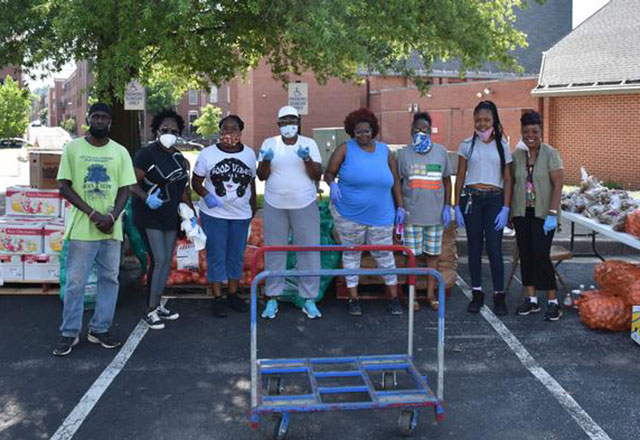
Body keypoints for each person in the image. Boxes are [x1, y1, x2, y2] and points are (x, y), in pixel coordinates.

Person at [53, 102, 137, 356]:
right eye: (96, 117)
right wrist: (93, 214)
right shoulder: (73, 148)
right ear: (89, 119)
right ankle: (69, 333)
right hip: (82, 228)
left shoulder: (119, 151)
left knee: (109, 279)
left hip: (111, 229)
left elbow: (126, 188)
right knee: (76, 282)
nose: (100, 121)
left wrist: (112, 216)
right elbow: (64, 186)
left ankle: (100, 328)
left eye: (104, 118)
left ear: (110, 122)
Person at [324, 107, 405, 316]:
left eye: (367, 131)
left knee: (385, 255)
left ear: (373, 130)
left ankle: (394, 297)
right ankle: (353, 298)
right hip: (349, 214)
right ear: (352, 132)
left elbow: (395, 179)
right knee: (352, 254)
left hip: (381, 215)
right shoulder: (345, 149)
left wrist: (401, 206)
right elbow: (329, 172)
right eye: (359, 131)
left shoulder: (385, 151)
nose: (363, 135)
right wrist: (332, 184)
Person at [257, 105, 322, 320]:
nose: (288, 125)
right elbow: (261, 176)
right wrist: (266, 159)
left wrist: (306, 158)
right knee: (275, 252)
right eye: (284, 122)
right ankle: (273, 298)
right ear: (278, 124)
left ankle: (309, 299)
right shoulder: (269, 143)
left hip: (304, 203)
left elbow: (317, 173)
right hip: (275, 203)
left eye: (292, 121)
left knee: (309, 251)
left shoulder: (308, 144)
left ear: (298, 122)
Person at [130, 108, 193, 330]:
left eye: (173, 130)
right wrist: (146, 198)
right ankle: (149, 310)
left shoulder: (179, 157)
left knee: (166, 261)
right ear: (156, 130)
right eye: (164, 129)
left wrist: (190, 214)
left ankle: (157, 304)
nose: (169, 133)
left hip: (170, 215)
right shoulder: (146, 154)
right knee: (158, 260)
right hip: (149, 214)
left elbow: (183, 189)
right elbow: (131, 183)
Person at [192, 115, 257, 318]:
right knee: (216, 254)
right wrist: (205, 195)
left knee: (235, 255)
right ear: (219, 131)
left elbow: (251, 181)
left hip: (240, 214)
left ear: (240, 132)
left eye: (233, 129)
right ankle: (217, 297)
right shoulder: (207, 154)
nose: (229, 133)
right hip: (214, 214)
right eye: (225, 129)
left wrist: (252, 206)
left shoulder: (248, 154)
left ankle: (233, 294)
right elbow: (195, 182)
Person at [453, 100, 513, 316]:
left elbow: (508, 179)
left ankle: (499, 295)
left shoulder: (502, 145)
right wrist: (456, 205)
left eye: (486, 119)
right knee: (474, 247)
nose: (482, 124)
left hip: (495, 201)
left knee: (495, 250)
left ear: (494, 120)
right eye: (478, 119)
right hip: (472, 200)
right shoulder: (467, 144)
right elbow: (460, 177)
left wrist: (506, 207)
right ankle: (477, 293)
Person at [511, 111, 565, 321]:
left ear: (540, 131)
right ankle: (531, 299)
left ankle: (553, 301)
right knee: (526, 254)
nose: (530, 135)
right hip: (522, 214)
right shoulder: (517, 155)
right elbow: (512, 182)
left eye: (534, 131)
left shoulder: (550, 153)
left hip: (544, 214)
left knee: (541, 254)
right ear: (522, 133)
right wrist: (509, 212)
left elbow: (558, 184)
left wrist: (552, 213)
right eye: (526, 132)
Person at [397, 112, 452, 311]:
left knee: (432, 257)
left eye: (425, 129)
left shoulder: (441, 152)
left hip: (435, 216)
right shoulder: (403, 154)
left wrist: (448, 206)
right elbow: (397, 181)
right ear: (411, 131)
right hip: (412, 216)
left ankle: (430, 295)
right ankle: (412, 296)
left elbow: (446, 179)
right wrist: (400, 206)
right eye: (417, 129)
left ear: (431, 131)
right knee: (411, 258)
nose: (421, 132)